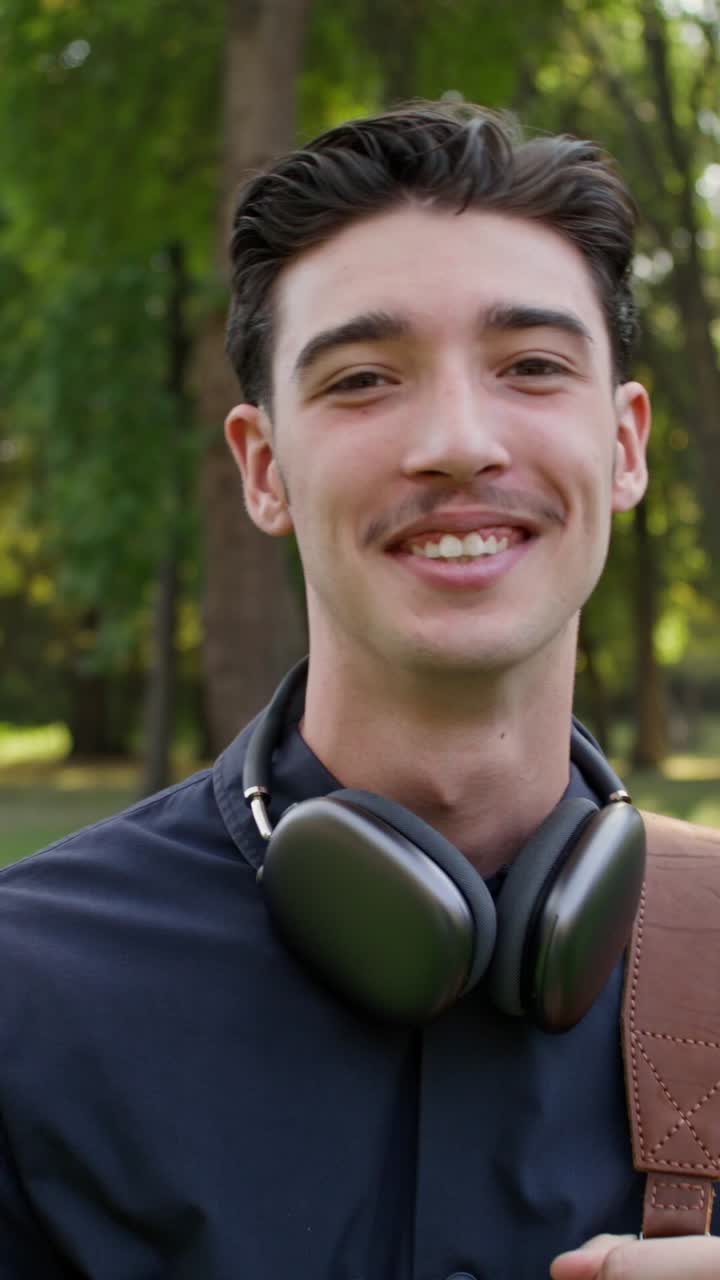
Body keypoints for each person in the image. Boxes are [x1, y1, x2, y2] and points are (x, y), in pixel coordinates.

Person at [0, 103, 717, 1280]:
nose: (456, 440)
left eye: (532, 366)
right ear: (264, 467)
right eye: (364, 378)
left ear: (626, 445)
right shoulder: (25, 998)